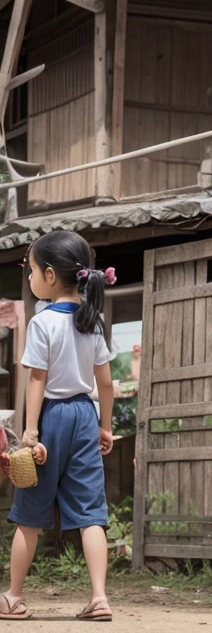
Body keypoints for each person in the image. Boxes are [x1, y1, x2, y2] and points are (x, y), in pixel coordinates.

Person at [0, 232, 117, 622]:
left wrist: (31, 430)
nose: (29, 277)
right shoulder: (93, 320)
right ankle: (99, 597)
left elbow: (37, 379)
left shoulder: (42, 321)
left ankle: (14, 598)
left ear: (49, 275)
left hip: (51, 417)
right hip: (85, 415)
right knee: (90, 512)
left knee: (30, 511)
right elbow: (104, 383)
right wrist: (105, 426)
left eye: (29, 269)